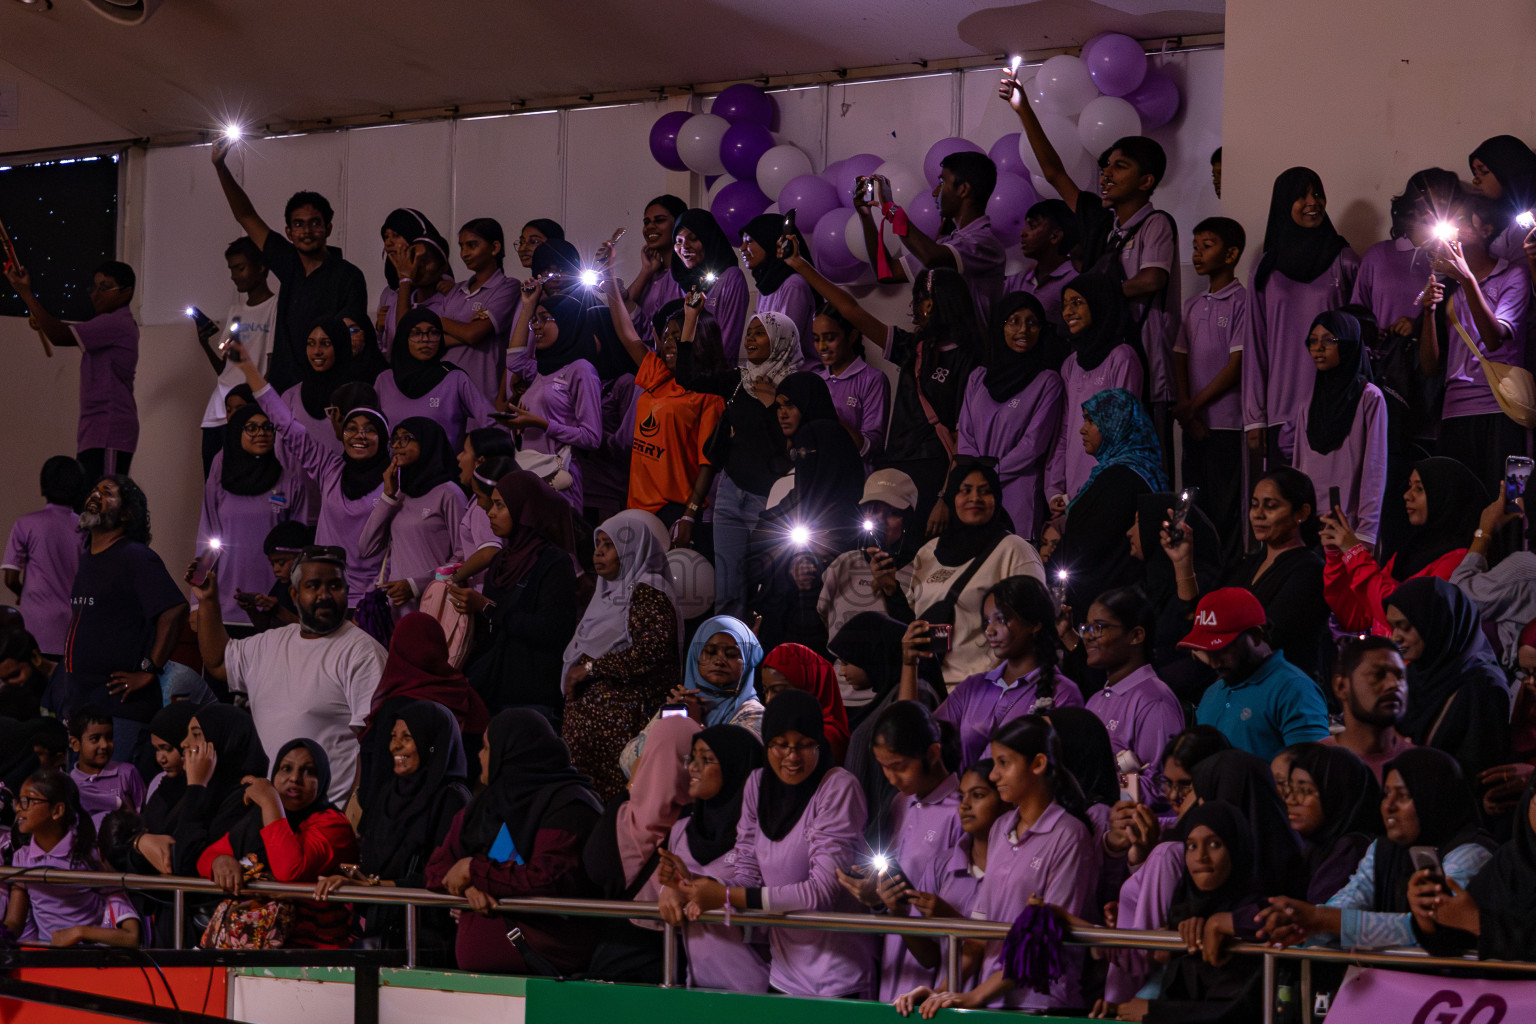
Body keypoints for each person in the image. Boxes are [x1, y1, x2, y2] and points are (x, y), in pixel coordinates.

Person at [666, 689, 877, 998]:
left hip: (838, 977)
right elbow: (748, 874)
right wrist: (696, 884)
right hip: (784, 973)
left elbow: (821, 893)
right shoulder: (757, 784)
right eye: (780, 744)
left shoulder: (837, 787)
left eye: (805, 744)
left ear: (820, 741)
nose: (792, 757)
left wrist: (724, 894)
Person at [1002, 73, 1177, 441]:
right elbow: (1053, 171)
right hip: (1100, 360)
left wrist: (1096, 298)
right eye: (1106, 166)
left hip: (1144, 364)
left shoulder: (1156, 223)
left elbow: (1152, 280)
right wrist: (1024, 111)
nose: (1106, 174)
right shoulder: (1101, 222)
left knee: (1141, 460)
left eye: (1119, 166)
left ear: (1146, 181)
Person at [895, 715, 1096, 1015]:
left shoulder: (1068, 834)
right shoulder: (1001, 828)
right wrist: (941, 991)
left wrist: (975, 996)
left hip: (1042, 1004)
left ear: (1038, 764)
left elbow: (1041, 937)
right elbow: (980, 933)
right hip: (995, 1002)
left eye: (1004, 763)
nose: (994, 775)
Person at [784, 247, 979, 526]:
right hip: (896, 463)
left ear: (940, 303)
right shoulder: (913, 347)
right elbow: (851, 310)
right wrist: (800, 264)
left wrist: (946, 496)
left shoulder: (968, 358)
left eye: (921, 300)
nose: (915, 309)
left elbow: (964, 435)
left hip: (934, 467)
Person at [191, 545, 387, 807]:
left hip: (327, 816)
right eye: (313, 585)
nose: (325, 595)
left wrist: (354, 813)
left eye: (335, 586)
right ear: (294, 594)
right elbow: (217, 662)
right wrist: (208, 600)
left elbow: (373, 744)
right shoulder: (270, 643)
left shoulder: (363, 653)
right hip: (269, 811)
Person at [1259, 747, 1493, 951]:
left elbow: (1432, 925)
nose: (1388, 806)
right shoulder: (1382, 849)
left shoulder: (1472, 852)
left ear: (1433, 797)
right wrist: (1297, 923)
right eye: (1386, 795)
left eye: (1402, 796)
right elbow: (1350, 901)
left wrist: (1320, 919)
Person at [426, 708, 604, 974]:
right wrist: (468, 888)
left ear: (509, 755)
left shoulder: (569, 805)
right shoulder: (482, 808)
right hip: (481, 984)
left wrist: (473, 870)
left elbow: (549, 878)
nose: (480, 756)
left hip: (547, 979)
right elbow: (435, 870)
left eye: (487, 748)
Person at [231, 340, 391, 607]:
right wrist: (249, 369)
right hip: (325, 597)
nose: (359, 436)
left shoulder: (393, 480)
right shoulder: (330, 468)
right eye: (351, 428)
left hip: (369, 603)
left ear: (383, 435)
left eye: (370, 429)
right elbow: (286, 424)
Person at [318, 700, 471, 963]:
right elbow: (373, 862)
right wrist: (351, 875)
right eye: (392, 737)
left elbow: (443, 875)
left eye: (407, 737)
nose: (395, 746)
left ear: (431, 744)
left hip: (429, 939)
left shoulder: (452, 799)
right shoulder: (386, 794)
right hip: (381, 930)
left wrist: (372, 885)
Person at [45, 476, 186, 761]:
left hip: (118, 712)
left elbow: (174, 610)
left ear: (126, 513)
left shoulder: (135, 556)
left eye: (107, 493)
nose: (95, 495)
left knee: (115, 799)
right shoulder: (89, 559)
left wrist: (149, 668)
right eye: (94, 490)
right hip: (83, 711)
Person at [210, 138, 367, 391]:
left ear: (328, 228)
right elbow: (245, 216)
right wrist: (220, 167)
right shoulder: (289, 263)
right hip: (284, 389)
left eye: (315, 223)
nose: (307, 230)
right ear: (288, 231)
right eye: (298, 224)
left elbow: (351, 334)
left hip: (327, 392)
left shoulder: (348, 276)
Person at [671, 304, 798, 616]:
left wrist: (771, 402)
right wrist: (690, 318)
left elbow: (786, 449)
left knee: (769, 590)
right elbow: (687, 379)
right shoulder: (740, 380)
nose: (750, 339)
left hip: (771, 505)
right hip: (730, 497)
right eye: (749, 332)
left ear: (780, 340)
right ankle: (728, 655)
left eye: (760, 333)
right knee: (728, 593)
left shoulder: (796, 387)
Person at [835, 700, 963, 1001]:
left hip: (941, 966)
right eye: (883, 767)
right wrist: (875, 897)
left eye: (899, 766)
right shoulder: (900, 803)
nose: (891, 778)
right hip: (897, 956)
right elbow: (896, 882)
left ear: (932, 754)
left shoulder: (961, 813)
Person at [1163, 468, 1329, 681]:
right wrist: (1183, 562)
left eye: (1271, 506)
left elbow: (1268, 639)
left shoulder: (1310, 569)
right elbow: (1198, 618)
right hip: (1234, 675)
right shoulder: (1247, 563)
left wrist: (1209, 651)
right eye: (1254, 505)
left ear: (1302, 513)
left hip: (1278, 685)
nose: (1258, 514)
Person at [561, 510, 682, 801]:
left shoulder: (648, 591)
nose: (598, 553)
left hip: (627, 725)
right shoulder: (610, 592)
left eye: (609, 545)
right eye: (597, 544)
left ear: (632, 549)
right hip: (594, 740)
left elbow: (649, 652)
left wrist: (590, 668)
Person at [1244, 167, 1361, 466]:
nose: (1313, 202)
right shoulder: (1265, 269)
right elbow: (1255, 345)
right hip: (1280, 411)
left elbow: (1360, 340)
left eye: (1317, 194)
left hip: (1335, 408)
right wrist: (1254, 417)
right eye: (1301, 196)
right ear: (1284, 203)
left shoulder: (1344, 260)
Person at [1421, 195, 1532, 493]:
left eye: (1460, 221)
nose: (1452, 230)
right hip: (1455, 412)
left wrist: (1466, 277)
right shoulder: (1452, 289)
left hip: (1504, 410)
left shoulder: (1513, 275)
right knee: (1461, 505)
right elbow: (1430, 366)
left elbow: (1494, 340)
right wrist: (1429, 312)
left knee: (1512, 500)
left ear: (1486, 230)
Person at [897, 462, 1046, 685]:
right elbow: (911, 616)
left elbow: (1033, 626)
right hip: (931, 690)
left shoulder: (1014, 550)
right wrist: (889, 591)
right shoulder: (928, 552)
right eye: (965, 490)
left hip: (985, 692)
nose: (975, 498)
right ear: (951, 497)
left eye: (985, 491)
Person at [911, 574, 1084, 768]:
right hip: (966, 797)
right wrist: (908, 665)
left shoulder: (1063, 693)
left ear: (1035, 624)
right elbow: (915, 739)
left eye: (1001, 619)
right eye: (987, 621)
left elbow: (1064, 770)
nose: (989, 630)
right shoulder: (973, 687)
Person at [199, 739, 358, 948]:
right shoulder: (258, 818)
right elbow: (205, 858)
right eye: (286, 768)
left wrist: (269, 801)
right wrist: (220, 861)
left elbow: (289, 870)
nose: (295, 778)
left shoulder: (332, 824)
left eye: (309, 771)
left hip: (314, 952)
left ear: (323, 780)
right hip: (253, 946)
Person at [649, 724, 768, 992]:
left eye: (707, 759)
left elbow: (766, 897)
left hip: (756, 990)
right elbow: (675, 900)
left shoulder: (761, 833)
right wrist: (669, 889)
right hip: (700, 988)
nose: (692, 768)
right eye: (693, 758)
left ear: (735, 767)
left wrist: (696, 889)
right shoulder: (680, 831)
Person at [449, 469, 579, 715]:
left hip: (532, 695)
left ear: (525, 510)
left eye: (499, 505)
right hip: (494, 687)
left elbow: (552, 630)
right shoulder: (502, 560)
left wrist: (487, 608)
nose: (490, 513)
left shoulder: (553, 562)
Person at [596, 278, 725, 523]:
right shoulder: (658, 375)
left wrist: (689, 516)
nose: (668, 343)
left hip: (674, 510)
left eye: (676, 336)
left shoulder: (708, 397)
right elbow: (626, 334)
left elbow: (708, 466)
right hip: (637, 507)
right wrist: (610, 281)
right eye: (665, 336)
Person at [581, 714, 699, 981]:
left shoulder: (619, 813)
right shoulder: (700, 822)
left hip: (618, 951)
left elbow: (595, 871)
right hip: (679, 958)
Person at [3, 258, 139, 480]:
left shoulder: (117, 322)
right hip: (96, 429)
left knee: (103, 503)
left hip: (109, 429)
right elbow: (66, 330)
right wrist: (44, 321)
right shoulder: (108, 324)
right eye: (94, 287)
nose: (95, 294)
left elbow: (59, 335)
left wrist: (25, 292)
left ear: (126, 292)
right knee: (89, 503)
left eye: (104, 287)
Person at [1323, 456, 1485, 635]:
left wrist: (1354, 553)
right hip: (1389, 660)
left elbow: (1405, 616)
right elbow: (1357, 618)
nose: (1407, 496)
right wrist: (1336, 558)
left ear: (1445, 496)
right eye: (1409, 487)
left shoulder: (1458, 560)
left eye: (1420, 489)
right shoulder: (1407, 553)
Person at [1142, 801, 1267, 1023]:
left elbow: (1241, 1010)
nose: (1201, 857)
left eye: (1214, 844)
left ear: (1236, 848)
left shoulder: (1255, 916)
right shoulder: (1183, 906)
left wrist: (1154, 1012)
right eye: (1191, 846)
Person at [958, 292, 1066, 541]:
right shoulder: (978, 377)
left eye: (1032, 322)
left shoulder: (1047, 381)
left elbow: (1033, 445)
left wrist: (987, 475)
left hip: (1018, 494)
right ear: (1000, 326)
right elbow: (965, 435)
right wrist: (978, 479)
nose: (1023, 330)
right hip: (976, 493)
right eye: (1014, 321)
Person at [1382, 577, 1512, 785]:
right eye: (1393, 626)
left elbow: (1477, 773)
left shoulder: (1481, 686)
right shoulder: (1417, 673)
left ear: (1438, 622)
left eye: (1404, 626)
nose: (1396, 637)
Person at [197, 403, 314, 631]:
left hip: (276, 609)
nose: (261, 433)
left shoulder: (290, 482)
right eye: (251, 428)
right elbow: (206, 539)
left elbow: (301, 552)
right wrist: (197, 603)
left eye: (267, 427)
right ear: (236, 432)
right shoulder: (220, 480)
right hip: (225, 608)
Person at [1056, 388, 1170, 620]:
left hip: (1105, 609)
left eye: (1091, 421)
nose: (1082, 429)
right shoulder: (1137, 471)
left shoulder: (1120, 479)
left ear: (1115, 424)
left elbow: (1091, 548)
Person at [1175, 217, 1250, 558]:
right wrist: (1186, 409)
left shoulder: (1242, 303)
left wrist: (1193, 407)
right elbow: (1179, 358)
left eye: (1207, 246)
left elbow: (1235, 367)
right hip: (1194, 424)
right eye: (1195, 246)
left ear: (1232, 253)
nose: (1198, 253)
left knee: (1224, 508)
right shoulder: (1191, 305)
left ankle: (1225, 578)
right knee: (1193, 505)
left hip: (1226, 425)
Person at [1182, 588, 1329, 761]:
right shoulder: (1213, 692)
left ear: (1256, 636)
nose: (1214, 663)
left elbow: (1311, 774)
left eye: (1224, 649)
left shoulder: (1294, 690)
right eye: (1209, 651)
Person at [865, 150, 1006, 322]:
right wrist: (865, 214)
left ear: (963, 190)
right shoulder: (949, 243)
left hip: (971, 348)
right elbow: (887, 273)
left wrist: (891, 208)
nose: (934, 192)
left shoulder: (983, 244)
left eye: (942, 182)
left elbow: (931, 257)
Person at [362, 612, 489, 801]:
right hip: (452, 813)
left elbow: (378, 778)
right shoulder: (465, 694)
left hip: (401, 817)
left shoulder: (395, 708)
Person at [1045, 275, 1146, 510]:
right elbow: (1064, 432)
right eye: (1065, 305)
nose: (1068, 311)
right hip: (1072, 495)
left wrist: (1093, 489)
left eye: (1077, 302)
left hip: (1106, 492)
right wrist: (1055, 489)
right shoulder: (1070, 364)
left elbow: (1122, 434)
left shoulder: (1121, 357)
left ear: (1099, 303)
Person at [9, 770, 140, 947]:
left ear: (57, 810)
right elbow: (14, 924)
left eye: (28, 801)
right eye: (19, 801)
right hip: (47, 959)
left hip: (88, 959)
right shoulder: (22, 858)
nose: (19, 808)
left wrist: (79, 932)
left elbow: (131, 936)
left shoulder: (89, 856)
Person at [1410, 775, 1536, 960]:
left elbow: (1478, 923)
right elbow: (1461, 938)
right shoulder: (1509, 860)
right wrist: (1431, 918)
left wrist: (1480, 924)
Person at [1079, 586, 1185, 800]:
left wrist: (1103, 789)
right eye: (1086, 628)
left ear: (1136, 635)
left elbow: (1162, 787)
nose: (1088, 637)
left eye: (1099, 627)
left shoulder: (1154, 700)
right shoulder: (1095, 700)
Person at [504, 286, 602, 513]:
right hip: (529, 471)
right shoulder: (542, 371)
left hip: (559, 478)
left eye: (545, 319)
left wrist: (541, 424)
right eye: (534, 321)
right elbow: (514, 361)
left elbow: (592, 437)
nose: (536, 326)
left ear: (568, 322)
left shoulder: (581, 370)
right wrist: (528, 306)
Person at [359, 417, 464, 613]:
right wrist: (388, 496)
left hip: (436, 605)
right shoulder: (399, 495)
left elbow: (463, 558)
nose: (397, 445)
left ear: (427, 443)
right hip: (399, 609)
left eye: (406, 438)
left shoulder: (449, 493)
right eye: (395, 439)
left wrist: (417, 585)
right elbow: (366, 548)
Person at [198, 236, 278, 475]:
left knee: (244, 478)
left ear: (261, 266)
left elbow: (271, 366)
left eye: (240, 268)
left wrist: (259, 407)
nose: (234, 275)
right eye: (231, 269)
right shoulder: (235, 311)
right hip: (218, 410)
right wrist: (204, 344)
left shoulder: (275, 307)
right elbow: (226, 369)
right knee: (213, 482)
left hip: (248, 408)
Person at [420, 217, 518, 402]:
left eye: (472, 245)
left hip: (483, 392)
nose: (464, 253)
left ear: (494, 248)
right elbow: (433, 338)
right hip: (446, 392)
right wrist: (465, 331)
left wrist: (441, 322)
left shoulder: (507, 287)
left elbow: (474, 334)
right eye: (461, 246)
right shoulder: (456, 290)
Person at [818, 469, 920, 641]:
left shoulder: (920, 569)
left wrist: (892, 592)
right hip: (839, 667)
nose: (880, 520)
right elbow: (821, 620)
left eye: (892, 513)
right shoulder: (844, 563)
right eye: (872, 510)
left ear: (907, 521)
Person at [375, 309, 498, 452]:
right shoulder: (384, 380)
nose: (426, 339)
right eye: (416, 333)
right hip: (396, 471)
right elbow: (373, 429)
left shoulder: (454, 378)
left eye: (433, 332)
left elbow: (492, 423)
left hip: (444, 472)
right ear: (403, 338)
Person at [3, 456, 85, 657]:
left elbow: (10, 578)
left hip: (36, 626)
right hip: (76, 626)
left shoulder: (25, 524)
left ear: (43, 487)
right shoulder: (86, 529)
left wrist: (23, 594)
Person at [1285, 743, 1383, 903]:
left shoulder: (1351, 849)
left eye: (1305, 791)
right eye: (1290, 789)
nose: (1291, 800)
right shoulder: (1311, 843)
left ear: (1336, 794)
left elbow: (1317, 913)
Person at [1319, 635, 1413, 782]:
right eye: (1378, 675)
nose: (1393, 684)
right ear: (1341, 686)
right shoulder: (1315, 765)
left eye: (1399, 676)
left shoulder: (1423, 766)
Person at [809, 304, 889, 466]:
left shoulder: (872, 379)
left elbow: (871, 448)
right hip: (821, 477)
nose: (822, 346)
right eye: (817, 339)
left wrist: (833, 419)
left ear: (852, 336)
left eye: (830, 338)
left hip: (857, 481)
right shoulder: (815, 380)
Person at [671, 209, 749, 360]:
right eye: (678, 241)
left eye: (693, 238)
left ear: (709, 240)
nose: (684, 246)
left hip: (713, 377)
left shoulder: (731, 278)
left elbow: (727, 346)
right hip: (679, 376)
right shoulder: (678, 280)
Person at [739, 213, 817, 363]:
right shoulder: (766, 284)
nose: (742, 248)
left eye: (749, 241)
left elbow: (785, 348)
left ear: (770, 241)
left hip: (796, 376)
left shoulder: (793, 285)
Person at [760, 643, 850, 765]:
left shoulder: (826, 736)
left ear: (808, 687)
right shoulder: (783, 724)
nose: (768, 700)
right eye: (765, 690)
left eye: (779, 690)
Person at [279, 320, 358, 457]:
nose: (316, 351)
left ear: (340, 345)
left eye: (325, 343)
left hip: (339, 477)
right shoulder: (290, 396)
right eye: (311, 343)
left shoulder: (356, 395)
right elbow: (281, 452)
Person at [1002, 199, 1078, 326]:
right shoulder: (1021, 278)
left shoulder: (1073, 280)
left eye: (1032, 226)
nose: (1023, 233)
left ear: (1055, 236)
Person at [67, 704, 144, 828]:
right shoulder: (70, 784)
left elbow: (142, 813)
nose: (104, 745)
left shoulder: (126, 773)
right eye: (95, 739)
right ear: (75, 744)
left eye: (109, 738)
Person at [624, 195, 688, 343]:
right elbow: (621, 314)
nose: (650, 227)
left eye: (659, 220)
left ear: (678, 223)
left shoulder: (686, 276)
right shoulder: (651, 276)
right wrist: (645, 271)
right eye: (646, 222)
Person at [1469, 135, 1536, 263]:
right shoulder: (1488, 213)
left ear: (1507, 169)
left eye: (1483, 172)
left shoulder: (1530, 216)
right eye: (1475, 173)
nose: (1476, 181)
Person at [142, 701, 199, 835]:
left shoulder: (200, 790)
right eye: (156, 750)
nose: (161, 759)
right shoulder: (161, 784)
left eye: (167, 749)